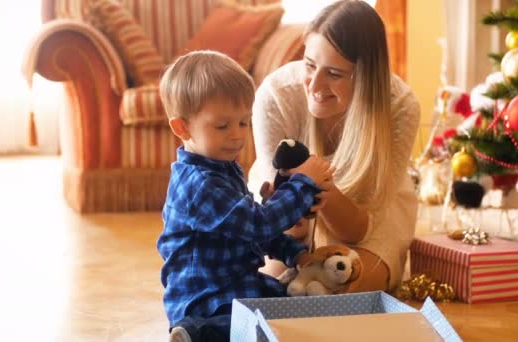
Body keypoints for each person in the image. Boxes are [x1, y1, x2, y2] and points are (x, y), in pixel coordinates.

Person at [156, 50, 333, 342]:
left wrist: (294, 252)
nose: (237, 135)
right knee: (245, 326)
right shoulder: (199, 185)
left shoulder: (223, 169)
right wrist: (302, 183)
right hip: (205, 298)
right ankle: (195, 334)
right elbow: (257, 224)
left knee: (292, 309)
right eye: (223, 126)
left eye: (243, 122)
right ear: (182, 127)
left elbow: (248, 233)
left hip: (239, 284)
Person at [248, 0, 421, 294]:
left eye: (334, 74)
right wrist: (294, 218)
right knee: (268, 288)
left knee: (341, 288)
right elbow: (283, 228)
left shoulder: (400, 108)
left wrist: (322, 190)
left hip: (368, 218)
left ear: (365, 77)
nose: (315, 84)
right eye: (310, 65)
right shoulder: (277, 95)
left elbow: (356, 230)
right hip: (287, 225)